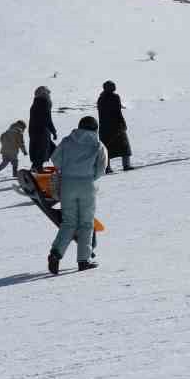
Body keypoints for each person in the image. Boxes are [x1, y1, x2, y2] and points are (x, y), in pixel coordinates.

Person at [46, 116, 107, 275]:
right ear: (95, 129)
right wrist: (90, 175)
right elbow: (102, 168)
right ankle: (83, 260)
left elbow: (55, 159)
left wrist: (67, 170)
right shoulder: (98, 145)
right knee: (86, 223)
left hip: (67, 184)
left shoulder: (67, 141)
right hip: (87, 185)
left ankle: (55, 254)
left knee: (68, 222)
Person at [97, 80, 133, 173]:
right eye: (113, 86)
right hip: (116, 126)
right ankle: (126, 165)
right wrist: (123, 124)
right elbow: (118, 112)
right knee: (124, 147)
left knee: (107, 147)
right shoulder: (115, 97)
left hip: (104, 127)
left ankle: (107, 168)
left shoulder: (101, 98)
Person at [29, 86, 57, 169]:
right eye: (48, 93)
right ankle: (37, 169)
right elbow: (47, 118)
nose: (49, 95)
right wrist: (53, 131)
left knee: (47, 150)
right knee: (44, 151)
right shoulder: (44, 102)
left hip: (34, 131)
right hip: (42, 131)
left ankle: (36, 168)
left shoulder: (35, 103)